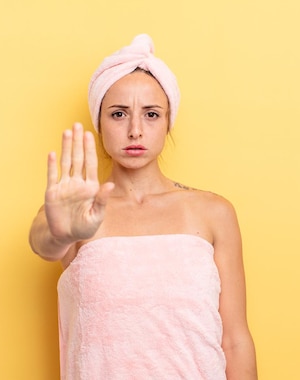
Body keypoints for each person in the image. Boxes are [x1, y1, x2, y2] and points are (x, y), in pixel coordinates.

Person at [29, 34, 258, 380]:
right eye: (118, 114)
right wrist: (59, 234)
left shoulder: (214, 213)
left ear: (168, 123)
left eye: (151, 114)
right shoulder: (76, 212)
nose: (135, 130)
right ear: (99, 123)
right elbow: (44, 242)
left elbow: (235, 339)